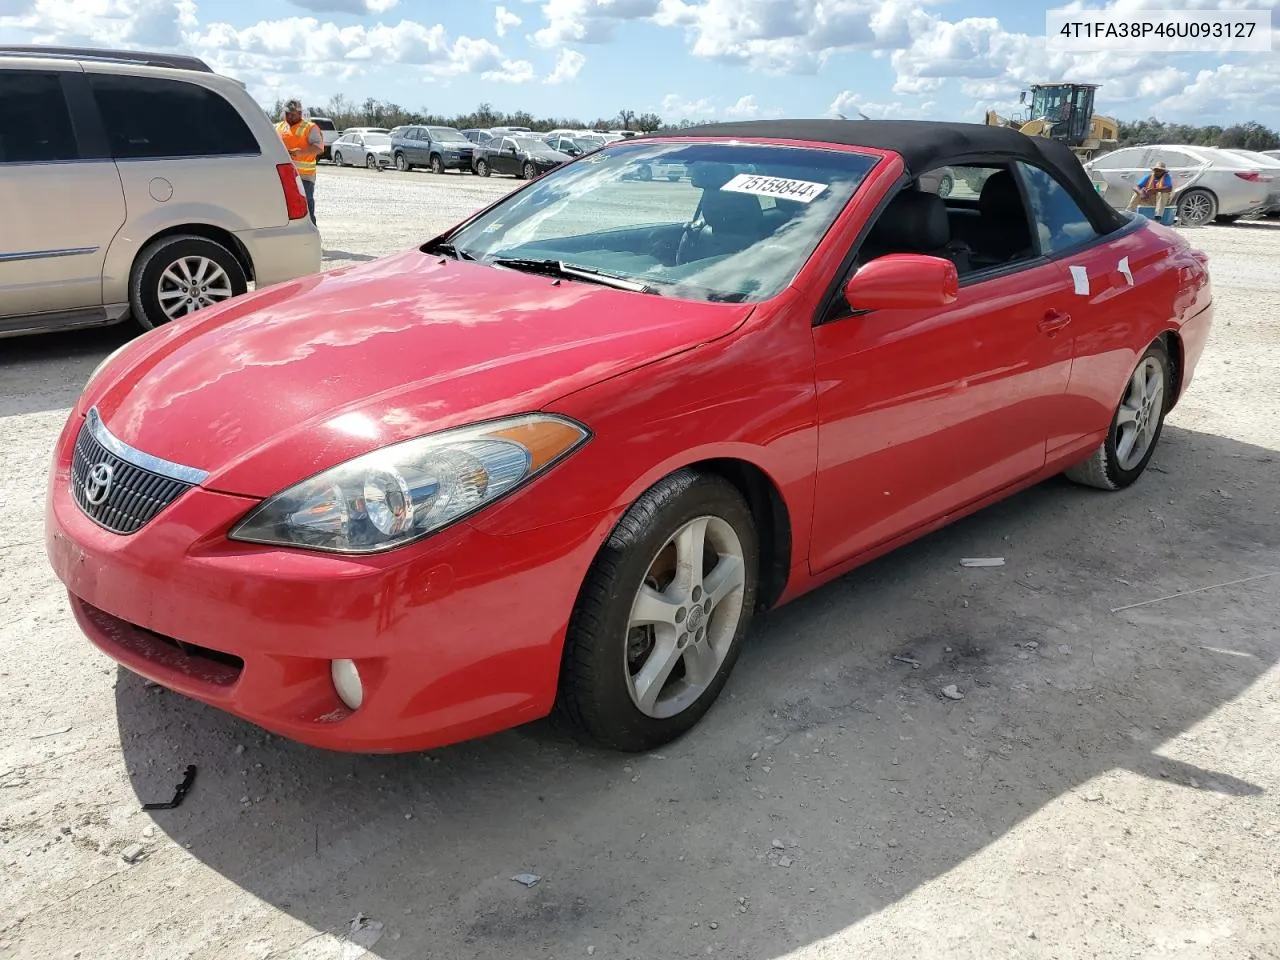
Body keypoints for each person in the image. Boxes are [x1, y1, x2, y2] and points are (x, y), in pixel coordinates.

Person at [275, 99, 323, 225]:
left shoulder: (310, 128)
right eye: (287, 113)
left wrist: (300, 152)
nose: (290, 116)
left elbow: (319, 148)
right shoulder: (278, 127)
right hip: (283, 175)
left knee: (306, 204)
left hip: (304, 176)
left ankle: (312, 229)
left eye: (293, 114)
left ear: (300, 113)